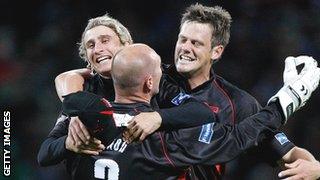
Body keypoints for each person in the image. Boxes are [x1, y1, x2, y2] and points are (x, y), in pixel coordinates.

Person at [52, 5, 320, 179]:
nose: (185, 48)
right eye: (182, 39)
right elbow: (83, 75)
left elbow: (287, 152)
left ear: (216, 51)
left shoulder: (237, 103)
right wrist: (73, 111)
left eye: (196, 43)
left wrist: (316, 168)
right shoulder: (149, 79)